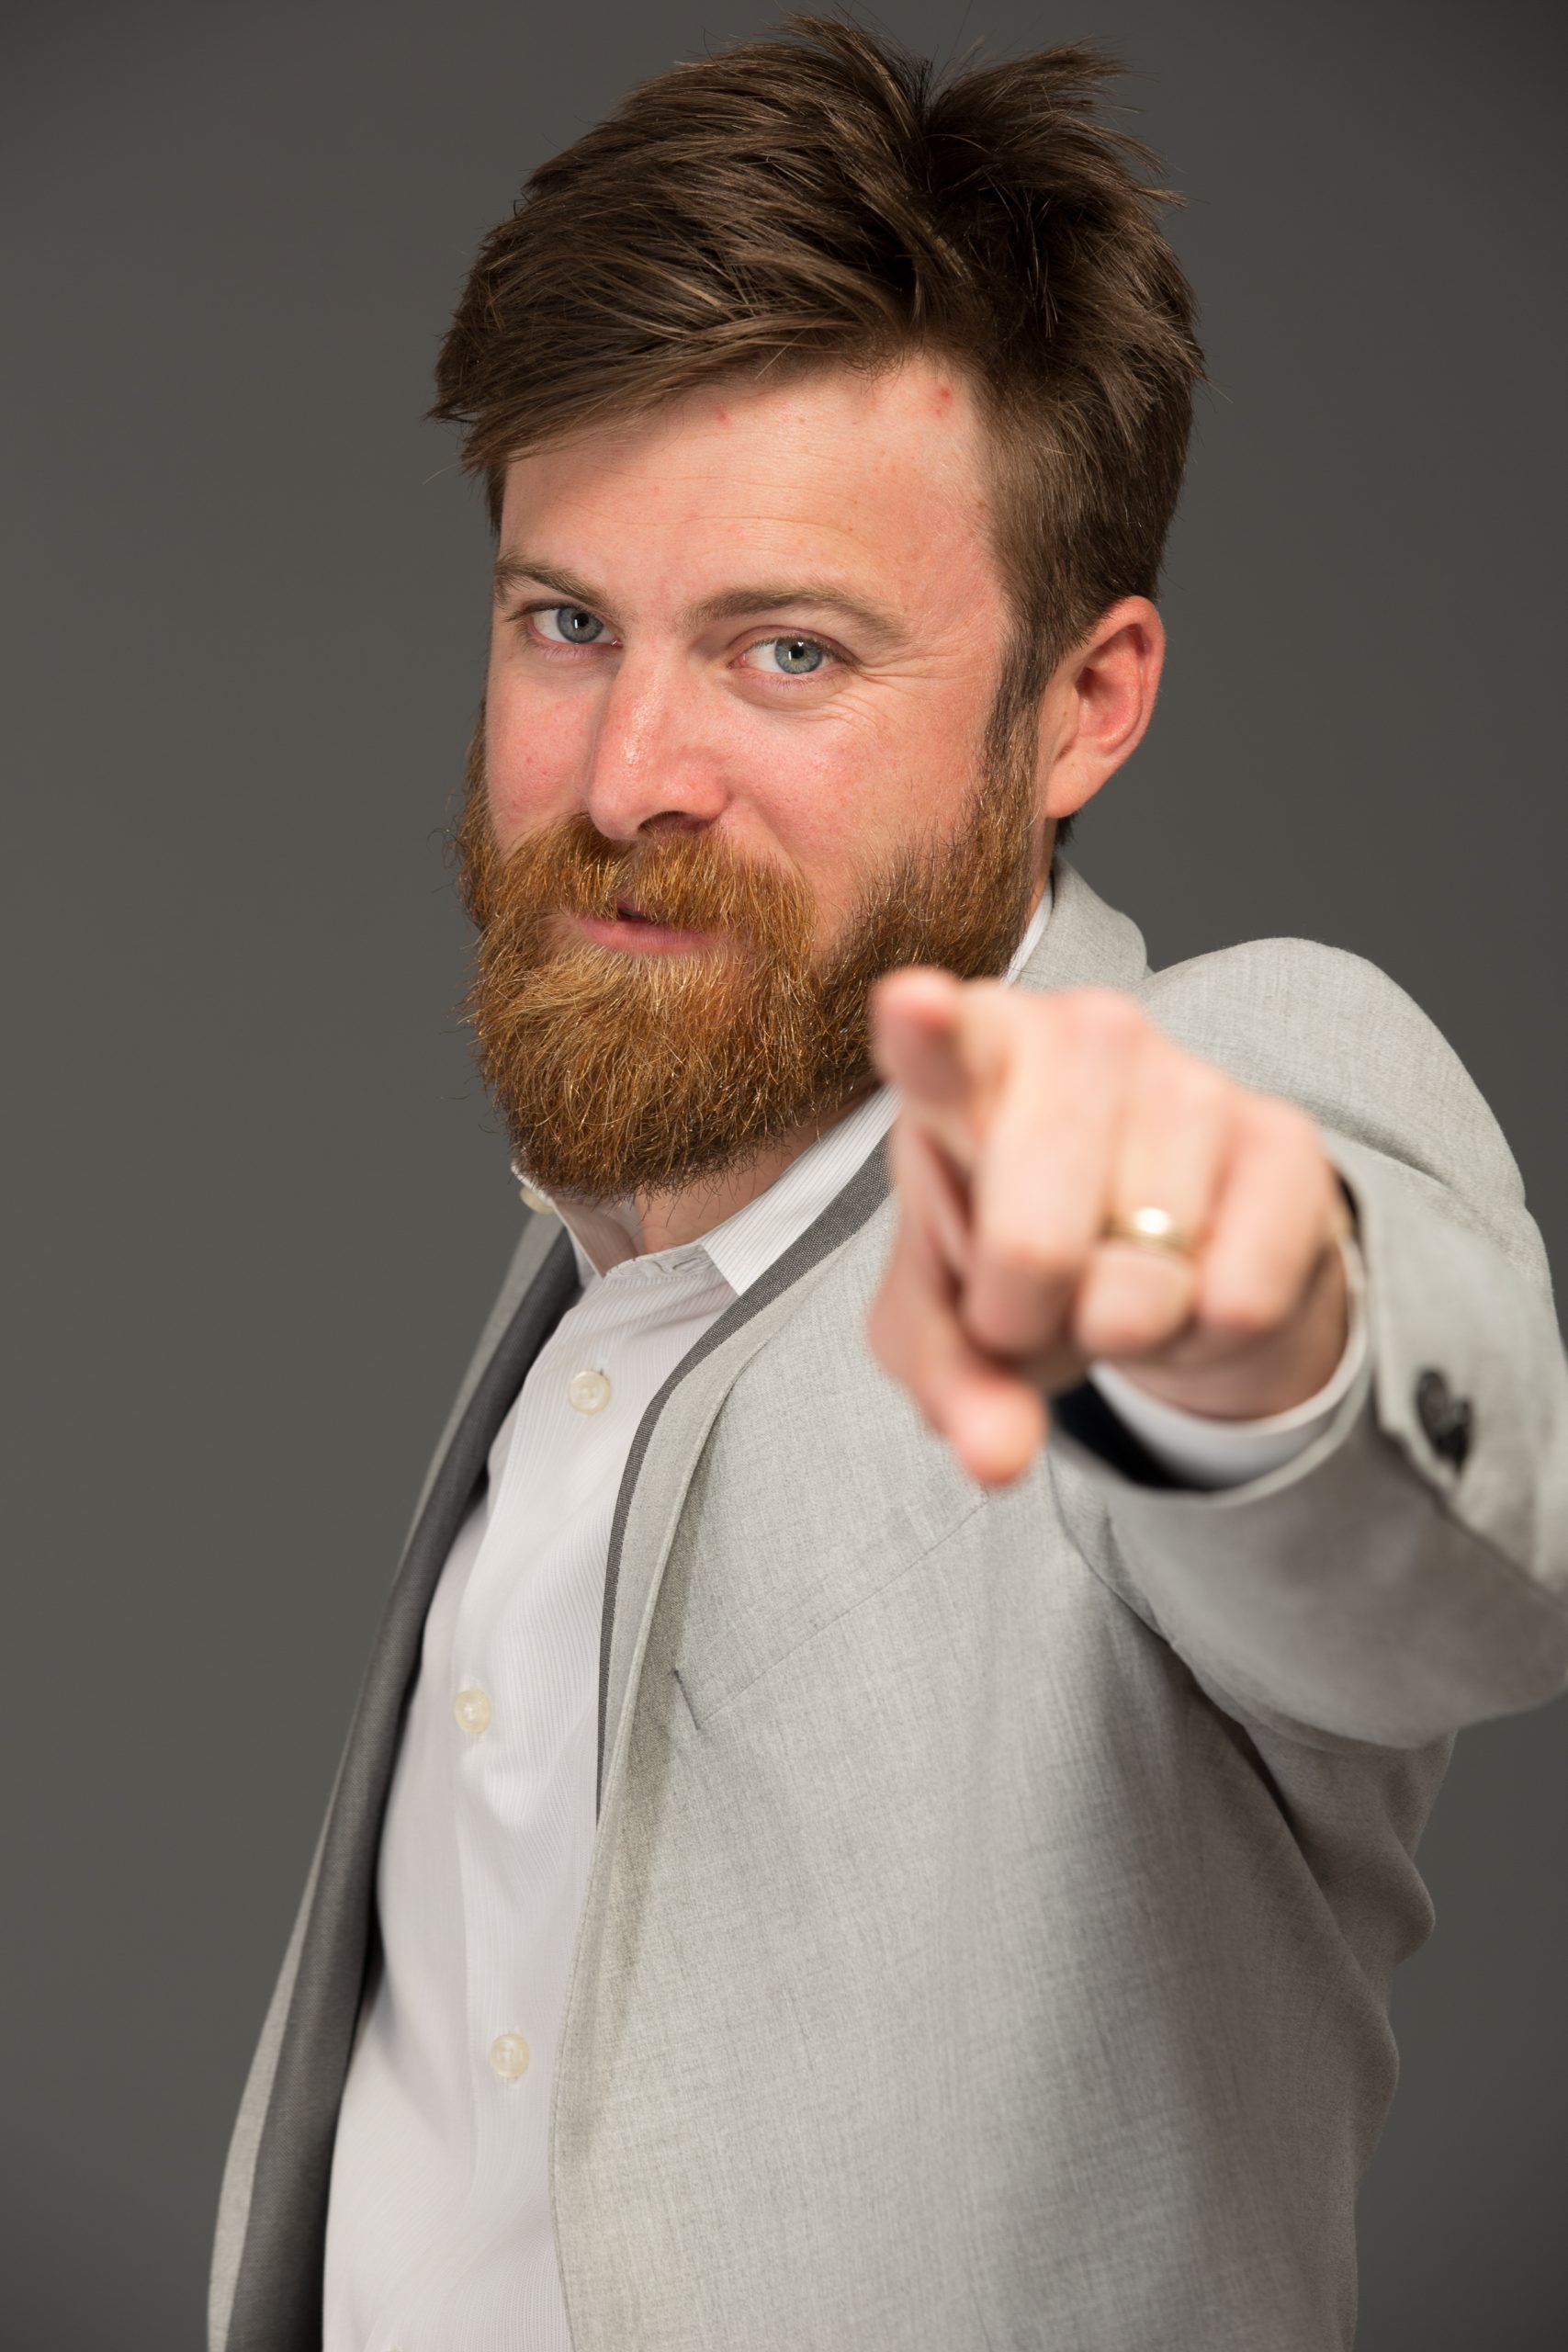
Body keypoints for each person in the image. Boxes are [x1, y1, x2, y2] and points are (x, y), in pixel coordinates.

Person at [209, 17, 1568, 2350]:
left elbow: (1441, 1556)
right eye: (565, 622)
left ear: (1083, 702)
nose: (627, 769)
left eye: (788, 649)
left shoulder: (1194, 1097)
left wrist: (1235, 1321)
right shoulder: (592, 1270)